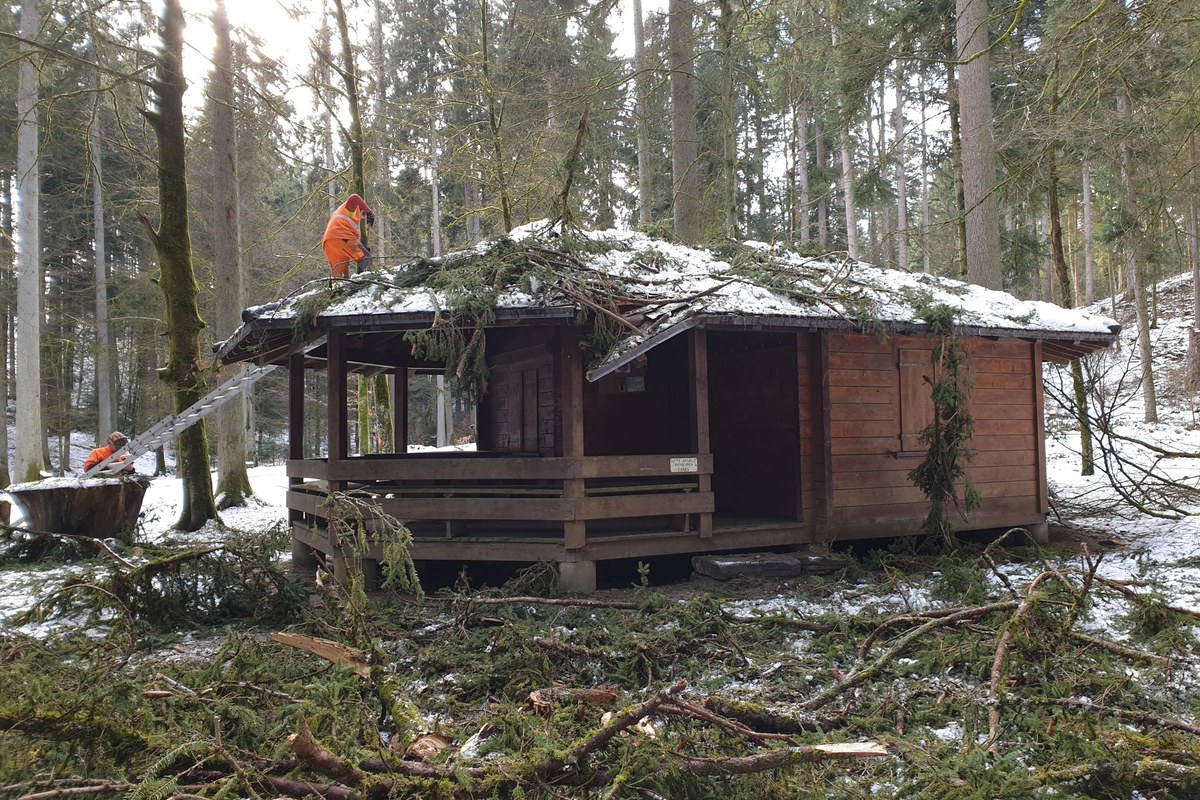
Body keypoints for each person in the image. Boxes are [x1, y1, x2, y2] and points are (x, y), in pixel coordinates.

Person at [322, 193, 375, 283]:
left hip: (328, 242)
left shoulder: (343, 216)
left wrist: (363, 249)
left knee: (340, 279)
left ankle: (338, 295)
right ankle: (358, 283)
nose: (363, 217)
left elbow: (354, 243)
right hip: (341, 235)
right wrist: (369, 212)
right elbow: (354, 197)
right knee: (366, 258)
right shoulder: (352, 209)